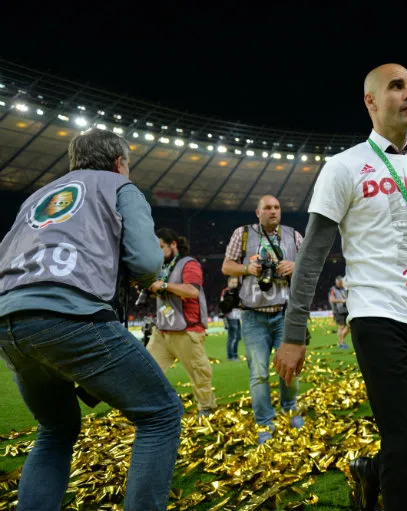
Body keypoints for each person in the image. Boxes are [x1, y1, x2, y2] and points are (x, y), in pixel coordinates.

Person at [274, 63, 407, 511]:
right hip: (378, 318)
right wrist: (294, 333)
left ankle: (370, 472)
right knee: (403, 437)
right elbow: (313, 255)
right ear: (370, 101)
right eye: (397, 87)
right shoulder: (344, 167)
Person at [0, 130, 183, 511]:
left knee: (55, 430)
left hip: (8, 319)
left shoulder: (37, 196)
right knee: (161, 414)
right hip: (70, 312)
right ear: (120, 162)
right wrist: (145, 280)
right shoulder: (119, 185)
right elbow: (148, 262)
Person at [221, 195, 304, 443]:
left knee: (288, 369)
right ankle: (264, 422)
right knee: (258, 373)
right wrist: (248, 268)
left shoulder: (293, 235)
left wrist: (294, 265)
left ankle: (289, 408)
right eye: (267, 208)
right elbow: (226, 266)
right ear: (258, 213)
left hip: (285, 314)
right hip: (253, 315)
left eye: (277, 207)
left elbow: (309, 265)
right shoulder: (243, 234)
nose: (273, 211)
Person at [147, 229, 217, 416]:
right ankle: (152, 410)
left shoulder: (189, 264)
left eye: (161, 247)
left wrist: (163, 285)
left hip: (187, 329)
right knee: (147, 372)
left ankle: (207, 409)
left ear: (173, 245)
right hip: (162, 330)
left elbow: (192, 291)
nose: (157, 251)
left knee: (199, 374)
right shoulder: (161, 267)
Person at [222, 276, 243, 360]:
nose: (234, 284)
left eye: (236, 283)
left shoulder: (236, 291)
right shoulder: (226, 292)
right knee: (233, 336)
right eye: (233, 283)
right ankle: (231, 355)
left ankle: (234, 354)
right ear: (228, 283)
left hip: (237, 316)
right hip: (230, 316)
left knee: (237, 336)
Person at [329, 275, 350, 349]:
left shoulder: (344, 289)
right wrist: (342, 301)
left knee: (349, 326)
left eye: (341, 282)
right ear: (336, 282)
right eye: (339, 282)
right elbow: (332, 300)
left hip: (346, 309)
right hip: (338, 310)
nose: (340, 284)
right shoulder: (332, 289)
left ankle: (340, 341)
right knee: (341, 326)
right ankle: (341, 343)